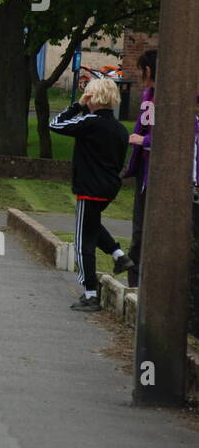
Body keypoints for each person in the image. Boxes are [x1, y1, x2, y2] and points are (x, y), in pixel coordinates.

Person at [50, 77, 133, 311]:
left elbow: (55, 124)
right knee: (91, 225)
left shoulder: (90, 122)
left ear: (92, 98)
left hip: (89, 188)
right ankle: (119, 255)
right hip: (109, 188)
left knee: (82, 242)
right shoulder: (119, 129)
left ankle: (90, 294)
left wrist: (77, 106)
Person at [123, 49, 156, 288]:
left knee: (145, 230)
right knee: (139, 231)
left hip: (153, 172)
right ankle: (135, 280)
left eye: (141, 70)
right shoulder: (148, 95)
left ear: (148, 70)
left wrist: (142, 141)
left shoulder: (161, 97)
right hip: (143, 172)